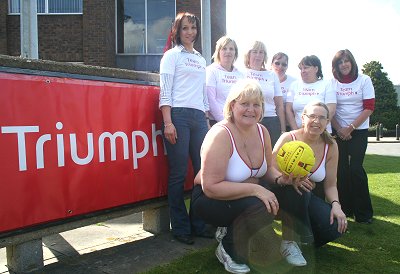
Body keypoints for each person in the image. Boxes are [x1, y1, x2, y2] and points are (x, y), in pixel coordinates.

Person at [192, 79, 294, 273]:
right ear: (232, 105)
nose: (251, 109)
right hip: (209, 198)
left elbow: (268, 169)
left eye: (256, 104)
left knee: (290, 192)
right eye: (244, 103)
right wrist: (256, 189)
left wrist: (282, 179)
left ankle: (289, 243)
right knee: (260, 206)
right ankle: (227, 249)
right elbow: (210, 187)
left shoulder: (263, 131)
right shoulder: (220, 134)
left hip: (243, 197)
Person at [272, 101, 347, 266]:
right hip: (280, 192)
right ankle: (288, 242)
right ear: (303, 118)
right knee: (297, 189)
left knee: (335, 227)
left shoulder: (331, 145)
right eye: (312, 116)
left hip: (307, 196)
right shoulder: (288, 138)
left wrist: (336, 205)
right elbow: (270, 168)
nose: (316, 121)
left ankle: (304, 238)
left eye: (322, 118)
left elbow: (331, 184)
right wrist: (286, 179)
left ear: (327, 122)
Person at [159, 12, 212, 245]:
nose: (190, 32)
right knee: (179, 173)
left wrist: (207, 120)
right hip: (178, 117)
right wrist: (168, 122)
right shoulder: (172, 56)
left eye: (193, 28)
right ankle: (180, 227)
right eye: (185, 28)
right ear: (177, 31)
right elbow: (165, 91)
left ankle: (199, 224)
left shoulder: (201, 59)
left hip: (199, 118)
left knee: (203, 173)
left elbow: (203, 94)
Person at [330, 49, 375, 224]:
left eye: (346, 61)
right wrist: (341, 129)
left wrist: (351, 128)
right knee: (340, 170)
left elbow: (369, 107)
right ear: (336, 66)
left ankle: (363, 213)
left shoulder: (364, 80)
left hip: (359, 131)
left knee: (355, 169)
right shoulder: (332, 83)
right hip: (338, 131)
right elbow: (330, 109)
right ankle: (345, 209)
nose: (344, 65)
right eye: (340, 62)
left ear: (352, 62)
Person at [242, 41, 285, 147]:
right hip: (249, 118)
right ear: (248, 54)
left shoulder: (272, 75)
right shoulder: (241, 73)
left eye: (261, 52)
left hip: (270, 120)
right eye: (254, 52)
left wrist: (283, 130)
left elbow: (279, 105)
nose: (258, 55)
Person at [286, 55, 336, 132]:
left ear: (316, 69)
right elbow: (288, 109)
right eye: (301, 69)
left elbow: (331, 109)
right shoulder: (294, 85)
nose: (303, 71)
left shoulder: (327, 84)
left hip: (321, 132)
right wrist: (296, 131)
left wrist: (317, 127)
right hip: (299, 132)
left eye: (306, 68)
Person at [207, 36, 244, 126]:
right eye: (224, 48)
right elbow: (210, 99)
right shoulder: (211, 71)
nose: (228, 52)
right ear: (218, 52)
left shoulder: (241, 75)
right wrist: (224, 121)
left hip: (237, 122)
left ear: (235, 53)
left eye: (231, 49)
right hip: (217, 122)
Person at [270, 52, 297, 131]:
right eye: (277, 63)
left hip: (289, 125)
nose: (280, 67)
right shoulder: (266, 81)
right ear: (271, 64)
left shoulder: (294, 82)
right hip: (270, 122)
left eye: (284, 64)